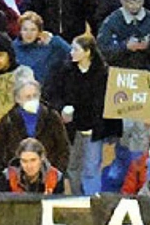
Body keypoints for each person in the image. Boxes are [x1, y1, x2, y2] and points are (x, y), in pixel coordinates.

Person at [47, 35, 112, 195]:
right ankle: (77, 197)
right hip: (71, 128)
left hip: (93, 128)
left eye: (76, 49)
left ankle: (92, 200)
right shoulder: (63, 71)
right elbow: (51, 94)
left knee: (91, 168)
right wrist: (61, 109)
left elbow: (108, 101)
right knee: (72, 166)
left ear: (88, 52)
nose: (71, 53)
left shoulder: (103, 73)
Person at [0, 76, 70, 173]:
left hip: (47, 174)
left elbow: (63, 148)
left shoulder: (51, 117)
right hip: (16, 176)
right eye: (28, 97)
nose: (32, 99)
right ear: (18, 99)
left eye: (35, 96)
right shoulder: (8, 120)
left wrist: (56, 173)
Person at [96, 0, 150, 70]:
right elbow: (103, 50)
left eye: (138, 2)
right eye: (130, 3)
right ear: (124, 1)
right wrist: (125, 47)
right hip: (120, 71)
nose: (135, 6)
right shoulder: (112, 22)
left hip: (147, 70)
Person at [0, 139, 68, 193]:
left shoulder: (55, 177)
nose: (29, 166)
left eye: (33, 160)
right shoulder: (7, 177)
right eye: (24, 161)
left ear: (41, 158)